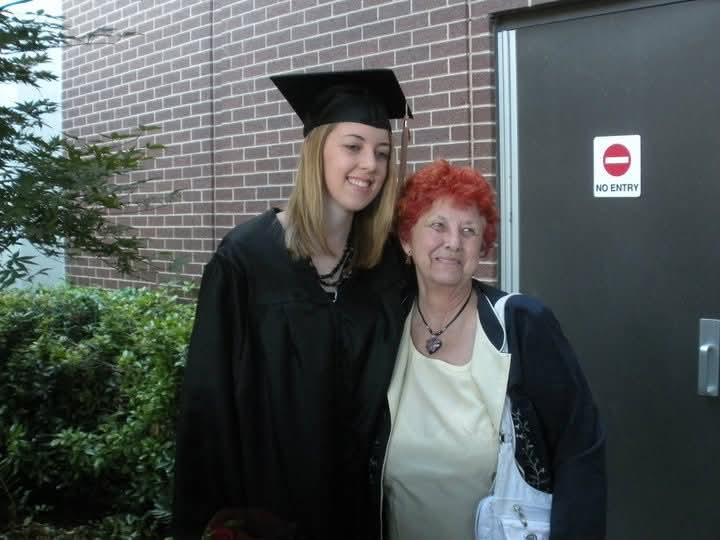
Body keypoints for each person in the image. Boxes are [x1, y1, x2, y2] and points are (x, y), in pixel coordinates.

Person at [171, 70, 413, 540]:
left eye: (382, 153)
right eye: (353, 145)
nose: (370, 164)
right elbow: (208, 405)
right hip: (266, 513)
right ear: (315, 148)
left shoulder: (385, 266)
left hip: (359, 513)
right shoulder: (245, 260)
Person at [369, 160, 606, 540]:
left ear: (483, 246)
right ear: (406, 240)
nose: (453, 242)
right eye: (437, 225)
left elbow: (580, 450)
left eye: (469, 230)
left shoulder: (523, 325)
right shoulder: (382, 330)